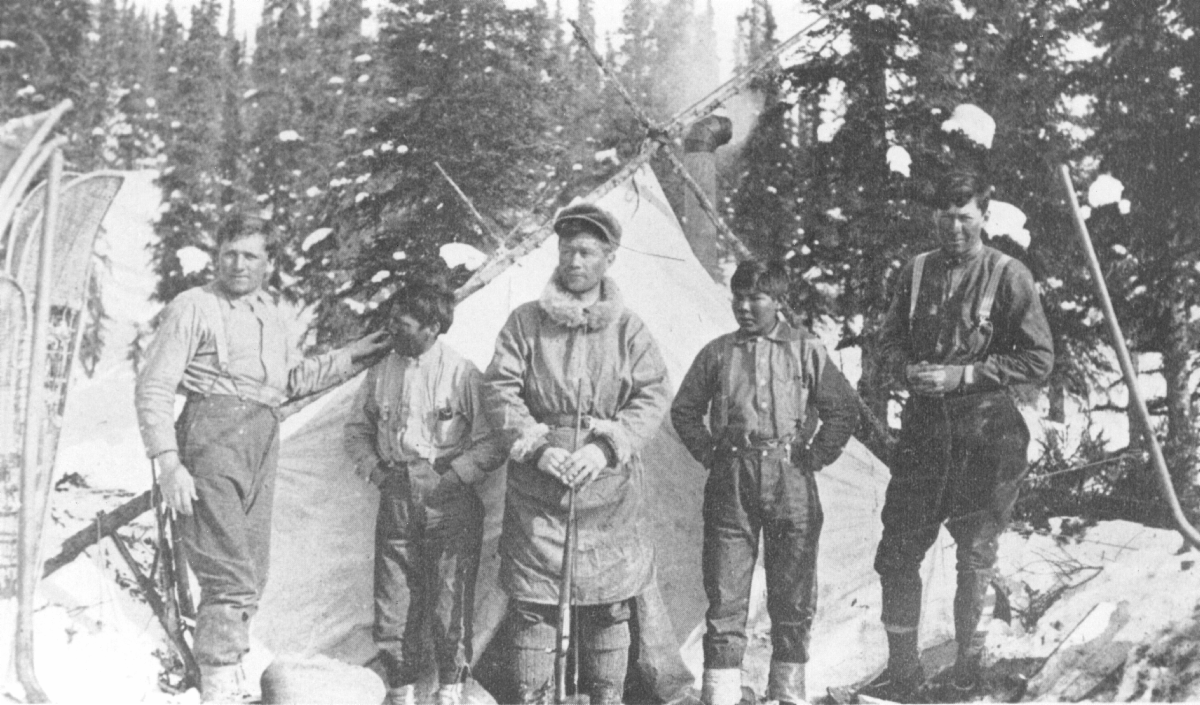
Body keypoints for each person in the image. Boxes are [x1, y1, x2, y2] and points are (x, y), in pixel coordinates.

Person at [135, 214, 390, 702]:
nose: (238, 264)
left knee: (253, 571)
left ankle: (231, 675)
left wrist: (355, 353)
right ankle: (217, 686)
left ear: (269, 264)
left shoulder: (272, 314)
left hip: (262, 438)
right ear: (216, 256)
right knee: (227, 573)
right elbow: (154, 386)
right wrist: (169, 463)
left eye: (250, 255)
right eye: (229, 252)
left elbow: (290, 380)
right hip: (211, 438)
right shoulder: (193, 307)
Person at [860, 170, 1053, 702]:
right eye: (944, 217)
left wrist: (964, 375)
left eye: (965, 217)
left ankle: (968, 671)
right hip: (924, 434)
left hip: (987, 434)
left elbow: (1039, 358)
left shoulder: (1008, 274)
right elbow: (888, 343)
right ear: (932, 218)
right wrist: (907, 372)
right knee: (897, 553)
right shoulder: (915, 272)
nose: (954, 228)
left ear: (984, 218)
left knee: (975, 554)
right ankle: (904, 673)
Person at [482, 202, 670, 705]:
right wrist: (538, 447)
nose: (575, 262)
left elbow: (651, 396)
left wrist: (605, 447)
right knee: (534, 604)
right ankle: (534, 699)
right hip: (540, 486)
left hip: (607, 490)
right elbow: (499, 389)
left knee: (609, 604)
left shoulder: (630, 330)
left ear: (608, 258)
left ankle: (607, 697)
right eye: (567, 251)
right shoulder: (525, 323)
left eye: (587, 252)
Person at [671, 259, 860, 705]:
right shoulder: (718, 352)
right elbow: (684, 410)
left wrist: (815, 455)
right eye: (738, 296)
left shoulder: (805, 349)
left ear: (779, 301)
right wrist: (709, 453)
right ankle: (720, 696)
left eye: (756, 297)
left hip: (790, 479)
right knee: (725, 595)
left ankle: (788, 696)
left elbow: (842, 408)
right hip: (731, 480)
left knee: (793, 595)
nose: (744, 306)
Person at [344, 278, 506, 705]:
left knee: (449, 602)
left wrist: (455, 476)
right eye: (393, 321)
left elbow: (493, 439)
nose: (394, 331)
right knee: (394, 601)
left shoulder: (461, 372)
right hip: (396, 494)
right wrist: (378, 473)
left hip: (448, 496)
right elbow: (357, 430)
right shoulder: (382, 372)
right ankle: (401, 692)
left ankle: (450, 691)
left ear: (433, 326)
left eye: (405, 324)